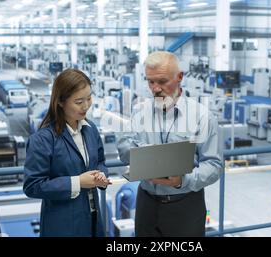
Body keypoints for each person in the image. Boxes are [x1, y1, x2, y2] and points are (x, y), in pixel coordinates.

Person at [117, 51, 223, 237]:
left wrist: (182, 180)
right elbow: (125, 148)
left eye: (162, 81)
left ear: (180, 77)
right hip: (146, 204)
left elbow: (214, 165)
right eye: (150, 81)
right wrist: (138, 152)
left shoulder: (202, 117)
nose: (155, 88)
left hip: (185, 206)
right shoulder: (139, 112)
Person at [23, 69, 111, 237]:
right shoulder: (43, 139)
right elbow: (32, 186)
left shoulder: (90, 129)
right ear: (61, 102)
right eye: (79, 101)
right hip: (63, 226)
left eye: (89, 98)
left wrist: (101, 176)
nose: (86, 106)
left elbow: (100, 161)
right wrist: (77, 182)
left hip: (93, 219)